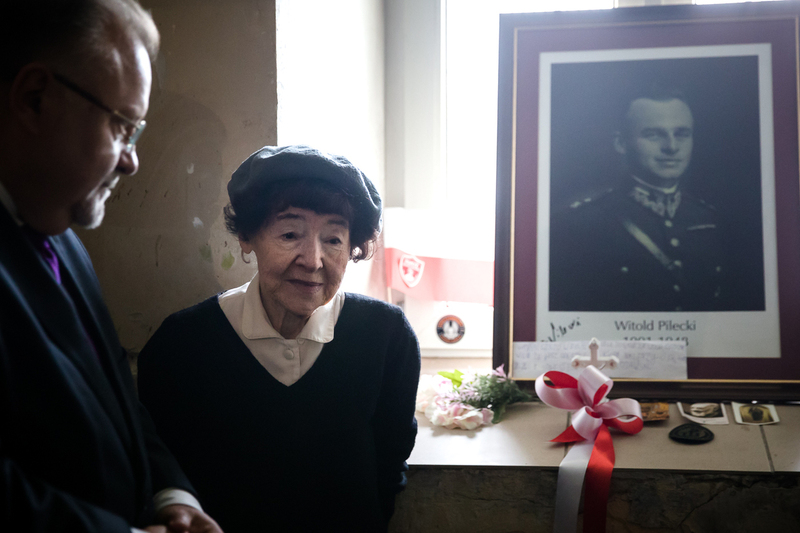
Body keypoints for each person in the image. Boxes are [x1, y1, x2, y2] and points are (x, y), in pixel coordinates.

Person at [0, 1, 222, 532]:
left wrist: (172, 495)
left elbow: (115, 400)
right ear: (34, 99)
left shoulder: (67, 244)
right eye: (122, 126)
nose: (132, 160)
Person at [137, 145, 421, 533]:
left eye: (334, 239)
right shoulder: (183, 343)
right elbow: (160, 465)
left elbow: (390, 460)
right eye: (290, 233)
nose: (313, 259)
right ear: (248, 238)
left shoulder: (387, 336)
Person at [549, 86, 734, 312]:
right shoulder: (582, 224)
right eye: (654, 135)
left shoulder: (711, 220)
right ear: (620, 143)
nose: (672, 147)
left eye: (682, 134)